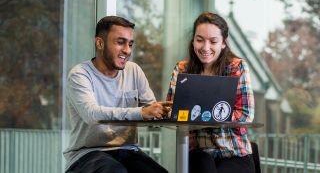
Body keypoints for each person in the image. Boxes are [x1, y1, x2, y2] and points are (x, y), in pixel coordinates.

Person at [64, 16, 171, 173]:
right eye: (120, 42)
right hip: (87, 154)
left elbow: (150, 110)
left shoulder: (134, 71)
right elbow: (92, 114)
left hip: (128, 150)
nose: (127, 50)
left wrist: (163, 110)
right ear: (100, 43)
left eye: (130, 44)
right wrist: (141, 112)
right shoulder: (80, 75)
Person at [166, 12, 255, 173]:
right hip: (197, 152)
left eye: (213, 41)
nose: (205, 48)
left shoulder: (237, 67)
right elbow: (172, 111)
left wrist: (203, 115)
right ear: (193, 41)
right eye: (199, 40)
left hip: (233, 152)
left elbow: (245, 114)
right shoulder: (182, 69)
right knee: (202, 162)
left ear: (223, 43)